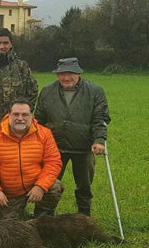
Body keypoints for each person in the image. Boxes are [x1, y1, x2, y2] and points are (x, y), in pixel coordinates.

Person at [34, 57, 110, 216]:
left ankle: (84, 216)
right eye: (62, 74)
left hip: (83, 147)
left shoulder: (95, 91)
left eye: (71, 74)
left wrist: (99, 140)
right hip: (54, 148)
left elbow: (100, 119)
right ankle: (43, 216)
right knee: (48, 182)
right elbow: (39, 120)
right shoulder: (47, 91)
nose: (66, 78)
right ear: (57, 74)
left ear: (79, 73)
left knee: (84, 186)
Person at [0, 99, 64, 220]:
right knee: (10, 226)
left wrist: (40, 186)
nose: (20, 118)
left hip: (34, 185)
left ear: (31, 115)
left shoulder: (45, 134)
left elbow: (53, 162)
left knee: (55, 186)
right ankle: (18, 213)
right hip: (10, 192)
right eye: (16, 114)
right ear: (9, 115)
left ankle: (42, 215)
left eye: (25, 114)